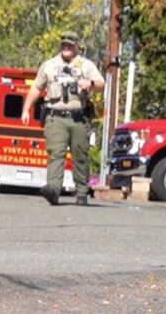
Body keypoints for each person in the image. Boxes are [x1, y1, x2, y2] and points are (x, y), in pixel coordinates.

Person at [21, 31, 105, 206]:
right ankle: (53, 189)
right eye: (64, 45)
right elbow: (36, 88)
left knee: (80, 155)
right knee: (56, 154)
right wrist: (26, 109)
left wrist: (89, 83)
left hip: (79, 118)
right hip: (55, 117)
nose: (66, 48)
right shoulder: (49, 65)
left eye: (70, 45)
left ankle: (81, 191)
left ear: (76, 46)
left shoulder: (86, 65)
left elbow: (101, 84)